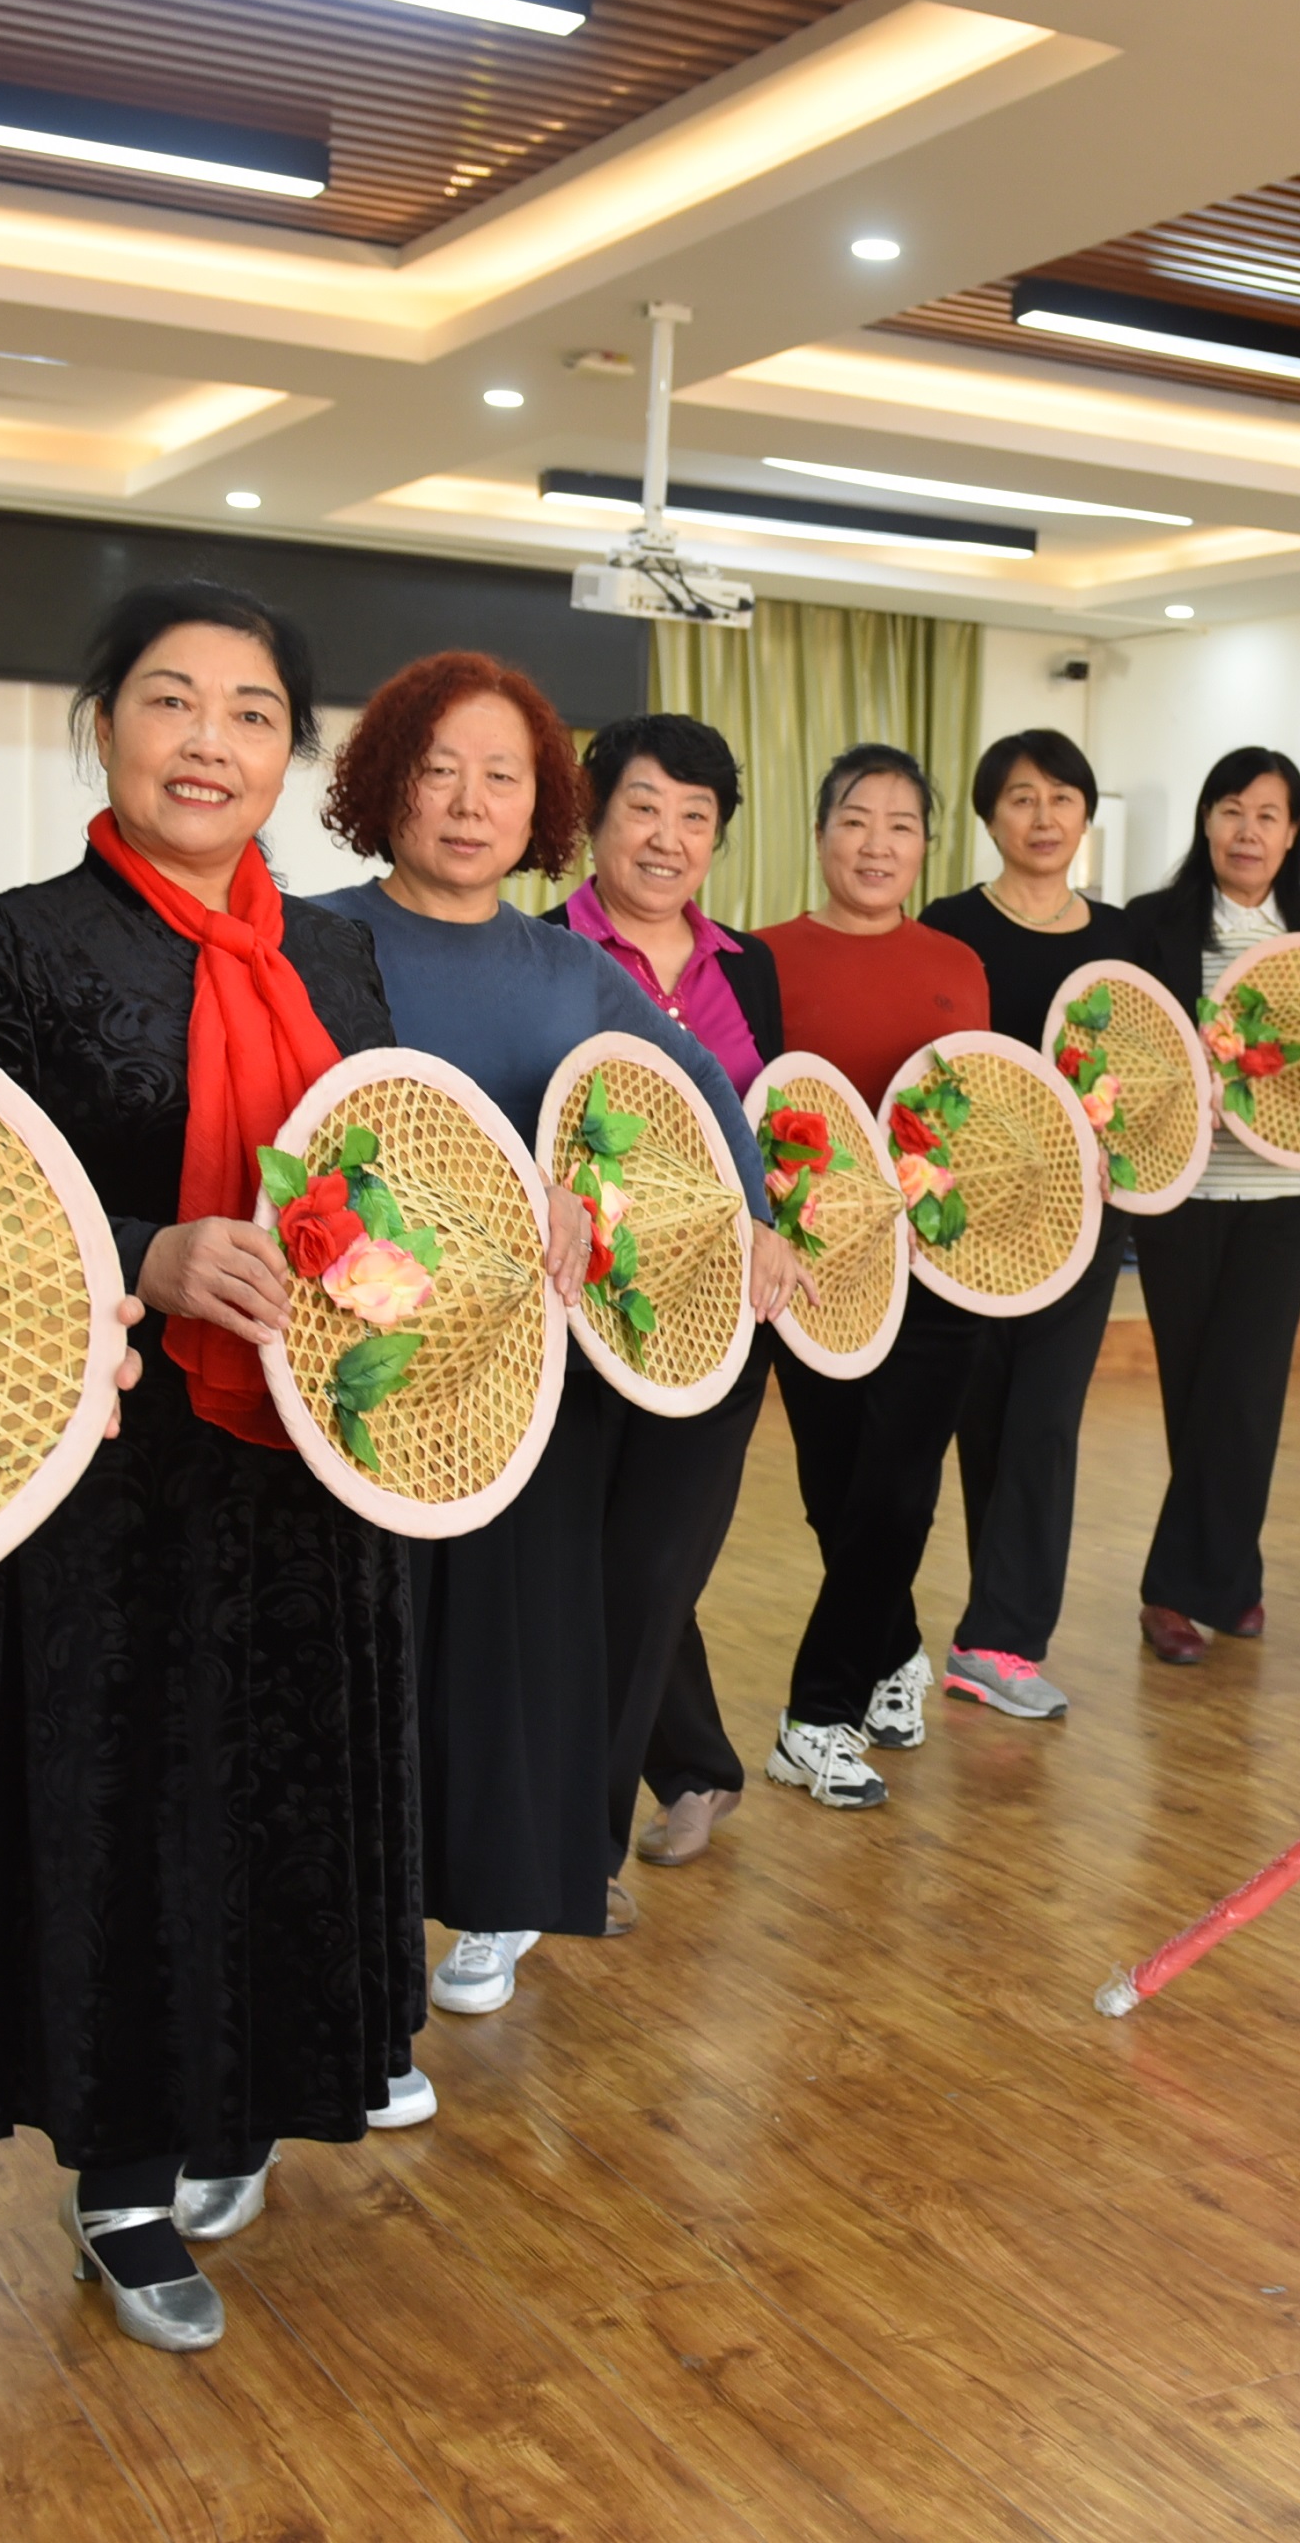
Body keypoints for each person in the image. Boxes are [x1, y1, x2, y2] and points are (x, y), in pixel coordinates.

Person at [0, 579, 421, 2357]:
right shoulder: (11, 948)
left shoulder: (336, 957)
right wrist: (144, 1249)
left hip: (306, 1456)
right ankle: (123, 2174)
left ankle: (245, 2094)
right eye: (169, 700)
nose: (209, 742)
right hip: (109, 1471)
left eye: (251, 714)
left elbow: (375, 1168)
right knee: (130, 1794)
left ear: (290, 755)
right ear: (103, 728)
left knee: (280, 1779)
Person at [312, 661, 788, 2014]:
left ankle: (498, 1899)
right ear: (385, 782)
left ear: (541, 810)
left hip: (530, 1366)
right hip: (355, 1356)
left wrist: (754, 1215)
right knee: (366, 1644)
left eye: (502, 778)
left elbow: (699, 1088)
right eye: (438, 771)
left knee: (516, 1646)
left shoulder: (567, 967)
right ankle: (351, 1918)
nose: (469, 805)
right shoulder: (308, 939)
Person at [561, 711, 789, 1870]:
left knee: (652, 1563)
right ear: (592, 818)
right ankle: (696, 1761)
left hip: (720, 1319)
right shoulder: (544, 953)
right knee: (599, 1563)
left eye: (694, 816)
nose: (666, 837)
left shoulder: (750, 968)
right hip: (582, 1315)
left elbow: (782, 1123)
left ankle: (584, 1853)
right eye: (642, 807)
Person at [756, 744, 992, 1809]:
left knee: (897, 1485)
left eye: (900, 825)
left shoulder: (959, 962)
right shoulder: (759, 960)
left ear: (925, 847)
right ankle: (893, 1648)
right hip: (812, 1271)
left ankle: (816, 1717)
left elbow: (978, 1106)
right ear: (820, 834)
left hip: (937, 1266)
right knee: (835, 1487)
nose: (876, 844)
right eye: (855, 820)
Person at [919, 728, 1136, 1721]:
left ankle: (1001, 1636)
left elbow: (1149, 1071)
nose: (1042, 817)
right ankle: (987, 1632)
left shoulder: (1125, 940)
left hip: (1083, 1217)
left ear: (1085, 812)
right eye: (1019, 797)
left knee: (1044, 1421)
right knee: (984, 1416)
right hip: (968, 1217)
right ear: (988, 816)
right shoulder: (948, 928)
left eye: (1060, 797)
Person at [1125, 747, 1300, 1664]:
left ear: (1292, 835)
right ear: (1206, 822)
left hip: (1280, 1199)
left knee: (1245, 1396)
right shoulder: (1153, 923)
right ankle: (1228, 1576)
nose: (1247, 831)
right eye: (1230, 810)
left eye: (1267, 815)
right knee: (1193, 1391)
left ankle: (1176, 1591)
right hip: (1180, 1194)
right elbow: (1127, 1046)